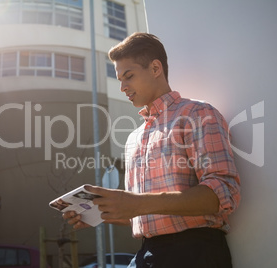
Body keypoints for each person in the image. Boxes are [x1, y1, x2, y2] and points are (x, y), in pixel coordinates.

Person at [63, 32, 241, 268]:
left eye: (129, 76)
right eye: (119, 80)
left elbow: (224, 192)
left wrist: (138, 203)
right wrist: (101, 212)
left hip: (195, 253)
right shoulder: (134, 138)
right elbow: (146, 212)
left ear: (156, 68)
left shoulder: (196, 114)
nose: (123, 87)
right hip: (147, 254)